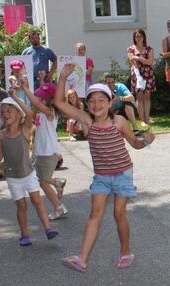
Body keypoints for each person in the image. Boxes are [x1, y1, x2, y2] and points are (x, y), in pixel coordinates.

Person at [56, 66, 155, 272]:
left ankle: (126, 251)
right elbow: (59, 103)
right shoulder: (87, 120)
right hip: (101, 176)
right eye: (92, 101)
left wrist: (145, 141)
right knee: (95, 214)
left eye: (101, 100)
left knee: (119, 214)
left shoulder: (118, 121)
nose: (96, 104)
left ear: (110, 102)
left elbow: (135, 144)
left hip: (123, 174)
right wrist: (63, 77)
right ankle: (82, 259)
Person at [0, 95, 58, 246]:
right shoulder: (2, 134)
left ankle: (48, 229)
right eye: (3, 112)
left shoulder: (25, 129)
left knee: (37, 201)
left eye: (9, 111)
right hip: (12, 177)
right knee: (21, 205)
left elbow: (30, 114)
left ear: (19, 113)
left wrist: (15, 97)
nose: (5, 114)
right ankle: (25, 235)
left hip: (28, 174)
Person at [19, 80, 68, 220]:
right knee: (40, 179)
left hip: (47, 153)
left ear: (50, 99)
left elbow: (37, 103)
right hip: (41, 152)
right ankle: (58, 183)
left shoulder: (49, 111)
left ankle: (59, 207)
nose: (39, 97)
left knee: (43, 182)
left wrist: (25, 88)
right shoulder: (44, 112)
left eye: (42, 96)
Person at [128, 28, 157, 124]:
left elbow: (150, 62)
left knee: (147, 98)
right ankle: (142, 120)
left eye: (140, 36)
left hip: (148, 74)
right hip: (137, 75)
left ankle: (147, 118)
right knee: (139, 98)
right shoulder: (131, 49)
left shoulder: (149, 49)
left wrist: (138, 57)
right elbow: (131, 60)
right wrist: (139, 59)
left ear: (144, 37)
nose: (138, 38)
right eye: (136, 36)